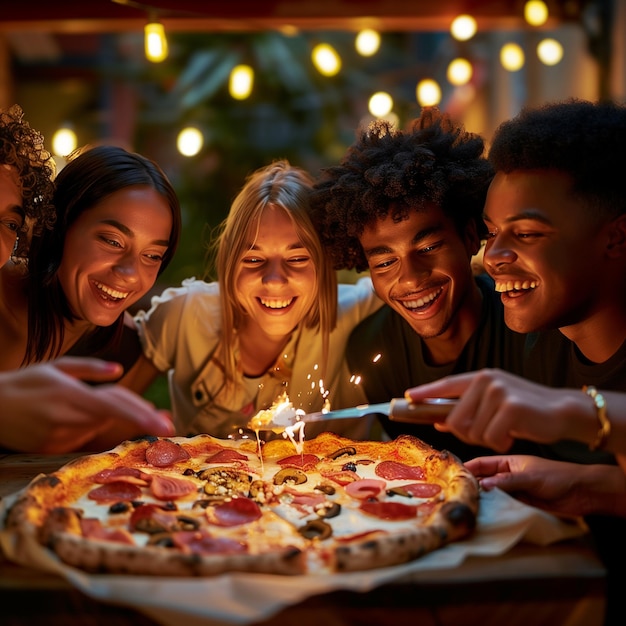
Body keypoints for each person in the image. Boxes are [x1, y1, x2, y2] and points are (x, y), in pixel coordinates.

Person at [404, 99, 626, 626]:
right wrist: (587, 487)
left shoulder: (542, 364)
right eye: (492, 231)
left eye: (525, 234)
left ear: (617, 236)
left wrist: (568, 411)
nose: (493, 255)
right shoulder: (543, 342)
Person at [310, 107, 529, 459]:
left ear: (471, 237)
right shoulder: (368, 349)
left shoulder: (532, 328)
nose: (410, 277)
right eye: (384, 262)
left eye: (427, 247)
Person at [125, 160, 383, 439]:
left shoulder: (364, 310)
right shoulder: (185, 316)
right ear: (229, 260)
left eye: (296, 258)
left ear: (326, 261)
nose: (274, 279)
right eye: (254, 259)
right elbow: (106, 408)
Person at [0, 107, 174, 453]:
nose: (129, 273)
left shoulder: (124, 351)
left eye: (152, 256)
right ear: (59, 226)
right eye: (111, 241)